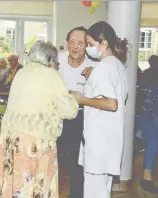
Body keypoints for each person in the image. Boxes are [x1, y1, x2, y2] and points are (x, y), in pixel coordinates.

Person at [0, 41, 79, 198]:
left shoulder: (22, 73)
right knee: (36, 185)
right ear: (51, 60)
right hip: (36, 139)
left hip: (11, 136)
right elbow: (69, 111)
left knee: (15, 183)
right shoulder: (52, 75)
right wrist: (75, 98)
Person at [70, 21, 128, 198]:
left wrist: (82, 99)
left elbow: (112, 103)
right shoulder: (116, 65)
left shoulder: (103, 68)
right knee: (102, 190)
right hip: (108, 138)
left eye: (90, 44)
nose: (87, 48)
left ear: (104, 44)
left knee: (94, 191)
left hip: (99, 139)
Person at [57, 26, 96, 198]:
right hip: (56, 115)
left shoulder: (94, 65)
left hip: (81, 116)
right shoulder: (57, 60)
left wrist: (95, 74)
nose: (75, 47)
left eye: (80, 43)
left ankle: (76, 194)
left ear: (87, 45)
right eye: (71, 42)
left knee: (76, 161)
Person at [138, 71, 158, 197]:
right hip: (147, 118)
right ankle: (147, 176)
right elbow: (150, 109)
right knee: (153, 139)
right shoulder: (152, 89)